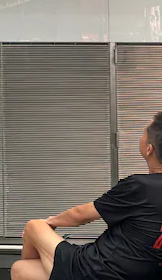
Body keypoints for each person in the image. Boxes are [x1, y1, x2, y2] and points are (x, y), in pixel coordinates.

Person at [11, 112, 162, 280]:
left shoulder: (140, 186)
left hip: (95, 270)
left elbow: (79, 216)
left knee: (34, 227)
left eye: (143, 134)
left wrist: (50, 223)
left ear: (149, 149)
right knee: (20, 270)